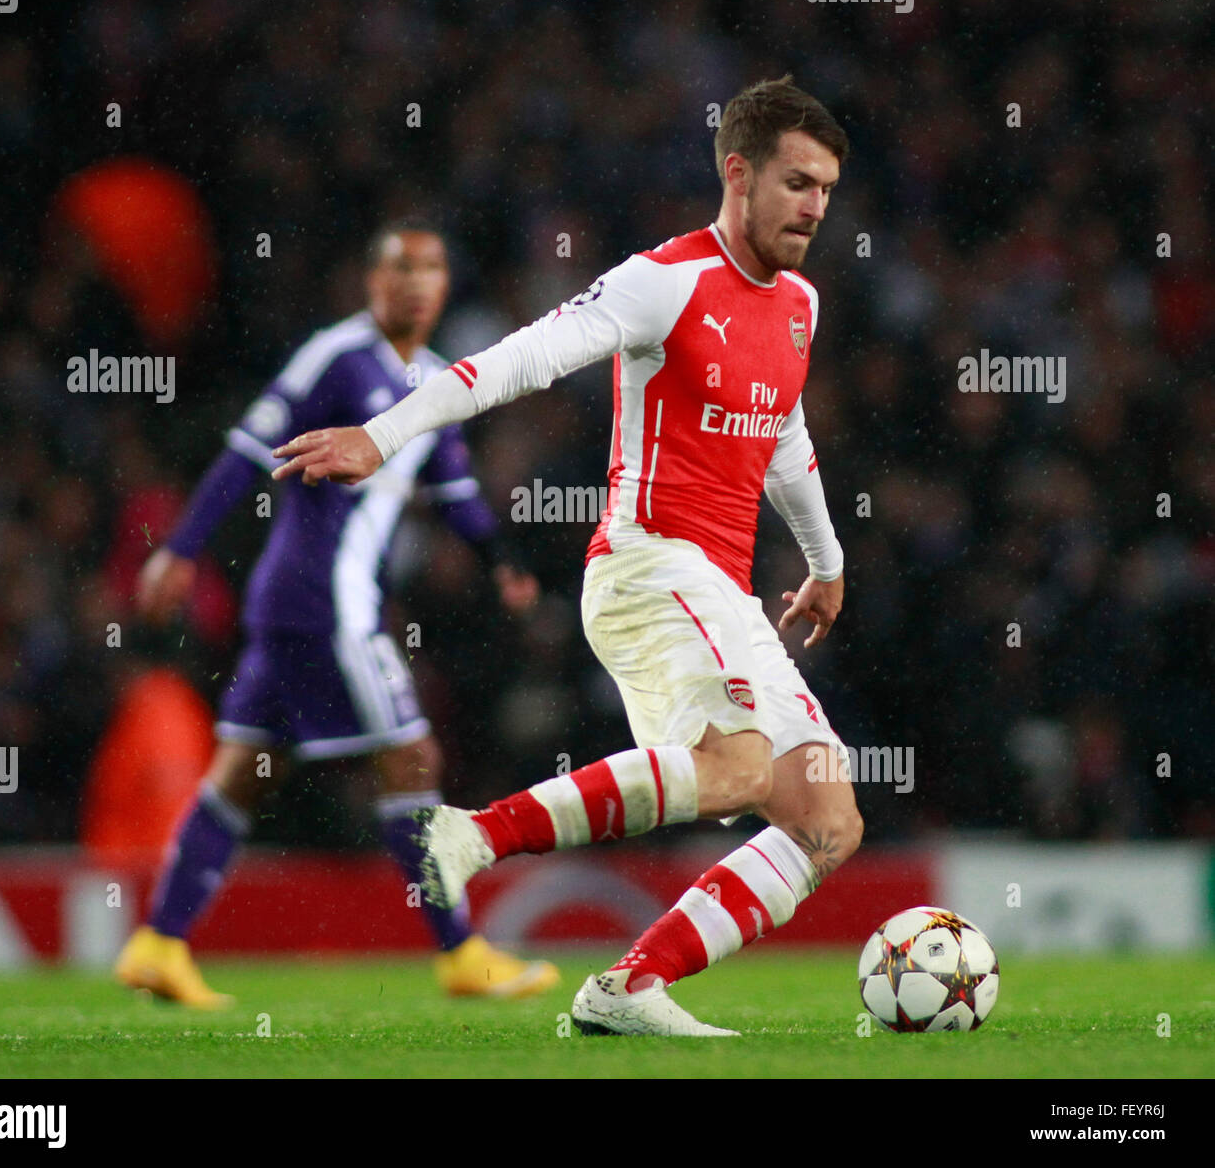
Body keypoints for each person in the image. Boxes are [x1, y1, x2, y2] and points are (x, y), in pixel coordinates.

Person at [272, 78, 861, 1035]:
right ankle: (466, 835)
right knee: (743, 765)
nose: (815, 208)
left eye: (827, 190)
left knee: (828, 818)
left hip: (722, 590)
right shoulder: (663, 282)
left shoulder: (799, 302)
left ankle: (626, 990)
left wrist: (826, 562)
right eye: (797, 183)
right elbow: (516, 359)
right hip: (647, 564)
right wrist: (382, 436)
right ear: (738, 172)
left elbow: (783, 436)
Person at [114, 224, 559, 1006]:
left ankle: (159, 943)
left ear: (445, 287)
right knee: (412, 759)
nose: (416, 282)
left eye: (431, 268)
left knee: (244, 775)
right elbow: (249, 450)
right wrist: (181, 548)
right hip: (327, 606)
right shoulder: (335, 356)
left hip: (297, 609)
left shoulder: (431, 379)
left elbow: (453, 489)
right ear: (370, 281)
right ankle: (461, 955)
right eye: (399, 267)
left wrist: (503, 565)